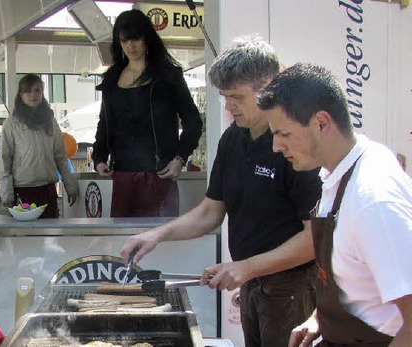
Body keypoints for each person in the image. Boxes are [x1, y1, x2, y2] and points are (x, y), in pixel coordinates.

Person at [119, 36, 322, 347]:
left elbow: (314, 239)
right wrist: (156, 235)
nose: (229, 106)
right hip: (254, 284)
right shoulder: (232, 138)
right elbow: (210, 212)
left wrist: (245, 268)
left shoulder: (293, 143)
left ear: (268, 85)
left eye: (237, 96)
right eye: (225, 96)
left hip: (292, 287)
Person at [257, 63, 412, 346]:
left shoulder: (374, 201)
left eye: (284, 134)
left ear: (322, 123)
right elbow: (358, 284)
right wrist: (320, 318)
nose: (276, 147)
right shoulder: (339, 173)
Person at [91, 9, 202, 217]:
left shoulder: (168, 76)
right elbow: (104, 124)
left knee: (160, 246)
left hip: (159, 175)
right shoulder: (111, 80)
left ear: (146, 38)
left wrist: (180, 158)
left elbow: (193, 121)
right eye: (124, 40)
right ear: (118, 43)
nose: (130, 46)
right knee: (121, 245)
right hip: (122, 175)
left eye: (135, 38)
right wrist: (98, 157)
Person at [0, 73, 78, 218]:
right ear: (21, 94)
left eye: (37, 90)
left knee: (52, 236)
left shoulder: (50, 121)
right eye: (27, 91)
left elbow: (60, 156)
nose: (32, 95)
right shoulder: (11, 123)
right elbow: (4, 161)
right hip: (23, 189)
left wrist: (70, 187)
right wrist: (7, 196)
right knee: (26, 238)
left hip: (48, 188)